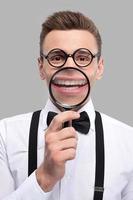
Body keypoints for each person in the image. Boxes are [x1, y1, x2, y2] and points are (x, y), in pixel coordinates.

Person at [0, 10, 133, 200]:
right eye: (56, 57)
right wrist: (44, 177)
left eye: (83, 57)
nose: (69, 68)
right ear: (41, 68)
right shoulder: (5, 135)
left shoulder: (129, 142)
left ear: (100, 67)